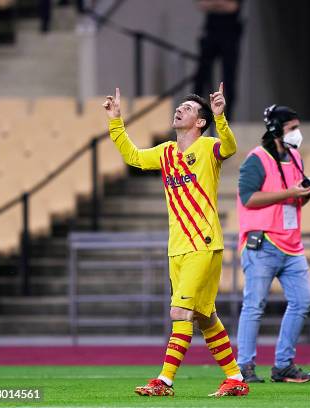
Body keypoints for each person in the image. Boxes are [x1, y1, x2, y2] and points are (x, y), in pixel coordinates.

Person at [103, 83, 249, 397]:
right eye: (178, 106)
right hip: (178, 248)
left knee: (180, 313)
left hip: (203, 244)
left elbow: (231, 147)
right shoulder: (166, 152)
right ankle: (235, 378)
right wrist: (116, 121)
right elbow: (133, 157)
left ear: (200, 122)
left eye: (187, 108)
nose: (179, 109)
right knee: (204, 316)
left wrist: (221, 117)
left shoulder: (209, 147)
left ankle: (164, 381)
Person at [235, 105, 310, 383]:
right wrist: (289, 192)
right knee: (254, 305)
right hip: (263, 242)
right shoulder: (256, 159)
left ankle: (283, 365)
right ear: (275, 130)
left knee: (303, 301)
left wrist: (308, 193)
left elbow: (296, 198)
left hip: (291, 242)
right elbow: (248, 198)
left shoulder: (295, 157)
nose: (297, 133)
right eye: (292, 127)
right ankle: (244, 367)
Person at [194, 0, 243, 120]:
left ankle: (228, 117)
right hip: (211, 32)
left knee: (229, 77)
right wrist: (222, 4)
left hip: (230, 33)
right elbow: (202, 4)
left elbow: (233, 6)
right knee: (201, 75)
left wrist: (214, 4)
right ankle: (196, 112)